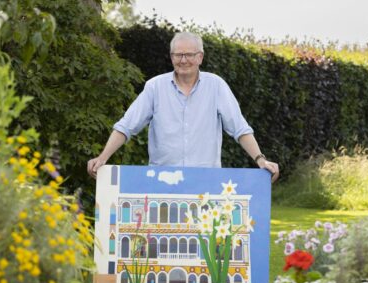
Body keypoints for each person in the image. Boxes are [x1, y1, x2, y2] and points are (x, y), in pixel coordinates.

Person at [87, 31, 279, 182]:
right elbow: (126, 126)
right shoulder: (155, 87)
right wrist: (103, 157)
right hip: (162, 182)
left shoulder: (216, 85)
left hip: (206, 182)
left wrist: (261, 159)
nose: (183, 60)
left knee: (207, 234)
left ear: (200, 57)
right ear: (171, 58)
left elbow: (239, 128)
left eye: (189, 55)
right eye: (178, 55)